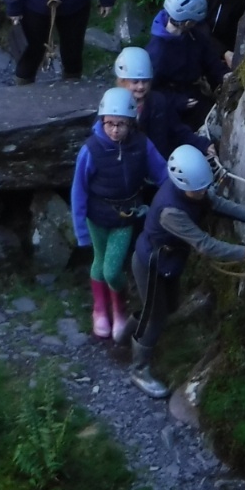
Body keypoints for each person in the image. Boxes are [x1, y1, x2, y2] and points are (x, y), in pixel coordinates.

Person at [129, 144, 245, 399]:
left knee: (167, 307)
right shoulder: (170, 211)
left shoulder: (193, 190)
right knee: (156, 316)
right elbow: (205, 244)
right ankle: (138, 368)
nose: (204, 192)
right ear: (183, 184)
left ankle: (125, 332)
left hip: (168, 262)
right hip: (151, 265)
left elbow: (216, 203)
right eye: (199, 189)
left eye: (204, 187)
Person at [71, 87, 167, 343]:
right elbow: (79, 190)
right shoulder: (91, 150)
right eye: (110, 124)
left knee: (112, 270)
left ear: (131, 123)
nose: (115, 130)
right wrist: (81, 230)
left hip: (125, 216)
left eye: (121, 124)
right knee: (99, 263)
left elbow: (161, 172)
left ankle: (119, 309)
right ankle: (100, 310)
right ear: (102, 121)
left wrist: (176, 192)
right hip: (96, 216)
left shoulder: (141, 145)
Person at [147, 0, 227, 125]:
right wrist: (176, 101)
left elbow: (207, 55)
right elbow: (150, 89)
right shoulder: (157, 53)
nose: (197, 24)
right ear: (188, 22)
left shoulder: (191, 34)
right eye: (195, 22)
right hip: (178, 104)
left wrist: (223, 74)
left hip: (194, 91)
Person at [113, 45, 209, 160]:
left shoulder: (158, 102)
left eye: (145, 81)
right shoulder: (113, 106)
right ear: (122, 81)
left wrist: (203, 145)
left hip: (158, 161)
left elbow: (177, 130)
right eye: (135, 82)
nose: (141, 86)